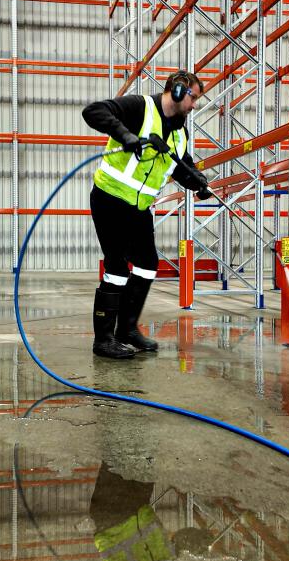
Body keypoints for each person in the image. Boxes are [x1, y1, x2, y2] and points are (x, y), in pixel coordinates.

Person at [81, 70, 212, 359]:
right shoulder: (141, 108)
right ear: (177, 91)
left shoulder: (179, 132)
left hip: (140, 207)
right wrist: (125, 135)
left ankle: (126, 330)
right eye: (193, 98)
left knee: (147, 264)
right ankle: (103, 340)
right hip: (111, 198)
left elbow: (180, 166)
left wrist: (198, 182)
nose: (194, 106)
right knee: (116, 267)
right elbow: (93, 112)